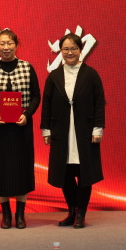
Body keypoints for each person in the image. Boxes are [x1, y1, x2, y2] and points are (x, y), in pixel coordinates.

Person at [0, 29, 41, 229]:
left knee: (22, 169)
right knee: (1, 169)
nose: (6, 47)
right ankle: (5, 214)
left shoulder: (27, 67)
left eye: (9, 43)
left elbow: (36, 96)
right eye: (2, 44)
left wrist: (27, 114)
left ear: (16, 45)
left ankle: (20, 214)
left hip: (21, 127)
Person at [40, 32, 105, 229]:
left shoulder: (91, 75)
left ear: (80, 50)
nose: (69, 53)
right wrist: (46, 130)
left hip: (85, 132)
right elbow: (46, 104)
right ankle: (72, 211)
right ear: (60, 51)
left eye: (73, 48)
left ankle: (81, 213)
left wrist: (98, 129)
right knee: (65, 174)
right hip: (61, 132)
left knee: (85, 174)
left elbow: (99, 103)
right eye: (66, 49)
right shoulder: (54, 76)